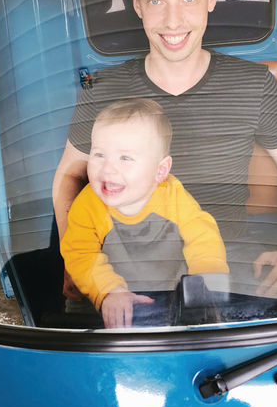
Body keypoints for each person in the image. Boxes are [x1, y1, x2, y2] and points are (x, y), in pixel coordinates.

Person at [53, 0, 277, 302]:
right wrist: (74, 261)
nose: (173, 21)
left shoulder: (254, 85)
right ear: (137, 4)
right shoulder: (103, 90)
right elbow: (69, 174)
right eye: (156, 0)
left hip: (230, 268)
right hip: (124, 280)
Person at [60, 98, 229, 327]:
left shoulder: (172, 196)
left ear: (160, 171)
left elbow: (203, 235)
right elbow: (80, 253)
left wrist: (205, 278)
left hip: (164, 295)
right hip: (106, 299)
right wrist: (109, 290)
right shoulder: (88, 203)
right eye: (99, 154)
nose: (108, 168)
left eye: (125, 158)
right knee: (77, 314)